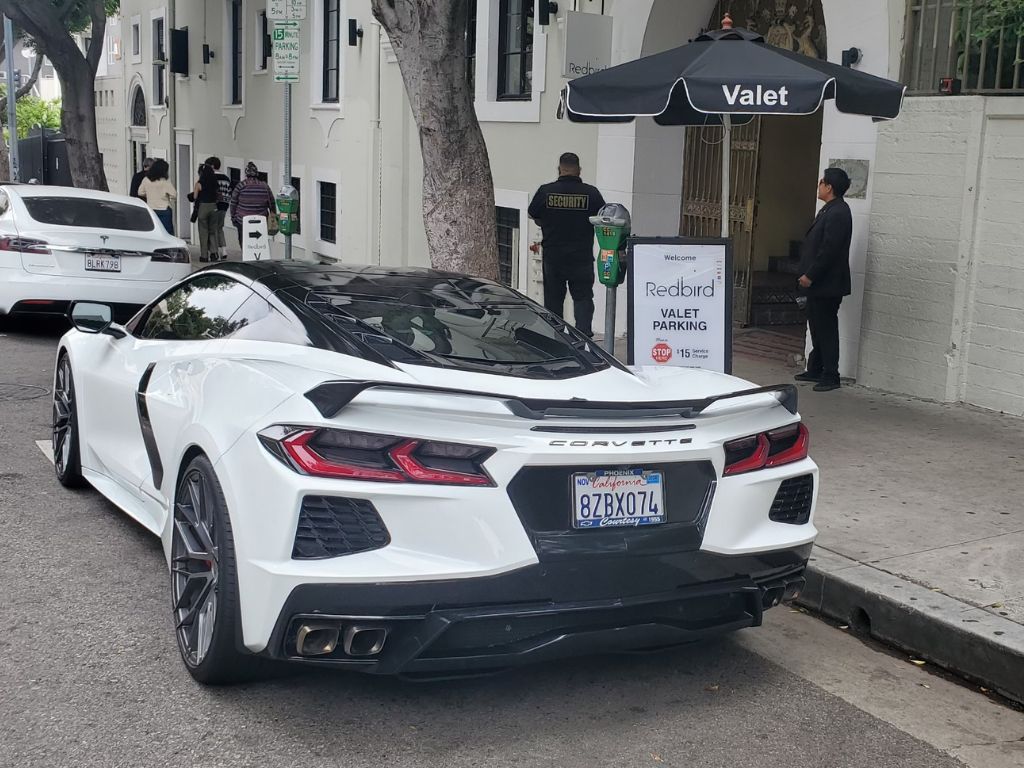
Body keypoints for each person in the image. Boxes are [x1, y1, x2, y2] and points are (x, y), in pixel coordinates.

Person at [528, 152, 605, 337]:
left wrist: (548, 221)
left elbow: (533, 214)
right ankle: (584, 338)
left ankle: (557, 339)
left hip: (554, 257)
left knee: (553, 301)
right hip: (581, 257)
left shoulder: (546, 191)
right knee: (583, 299)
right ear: (579, 170)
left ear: (559, 169)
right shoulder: (591, 193)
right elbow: (603, 217)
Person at [795, 167, 853, 392]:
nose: (818, 186)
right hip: (818, 284)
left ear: (829, 187)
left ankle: (831, 374)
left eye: (821, 182)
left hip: (826, 283)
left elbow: (829, 250)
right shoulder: (829, 209)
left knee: (826, 328)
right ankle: (816, 367)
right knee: (816, 327)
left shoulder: (839, 212)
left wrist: (811, 274)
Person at [229, 162, 276, 249]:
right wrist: (273, 215)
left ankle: (245, 254)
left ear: (246, 174)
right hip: (261, 221)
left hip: (243, 220)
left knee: (244, 243)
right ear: (257, 174)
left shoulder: (240, 186)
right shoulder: (265, 186)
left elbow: (233, 203)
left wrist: (233, 218)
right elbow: (272, 203)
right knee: (260, 243)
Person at [190, 163, 220, 262]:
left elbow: (195, 197)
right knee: (213, 231)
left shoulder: (199, 183)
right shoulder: (215, 183)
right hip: (214, 207)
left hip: (203, 207)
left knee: (203, 232)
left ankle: (204, 256)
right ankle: (214, 253)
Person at [138, 158, 176, 235]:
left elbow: (140, 192)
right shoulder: (165, 181)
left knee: (154, 232)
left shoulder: (146, 179)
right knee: (167, 232)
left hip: (151, 209)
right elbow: (174, 194)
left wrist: (149, 194)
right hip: (164, 209)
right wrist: (168, 197)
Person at [206, 156, 233, 260]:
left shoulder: (210, 177)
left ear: (212, 166)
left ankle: (215, 251)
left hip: (214, 205)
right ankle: (224, 250)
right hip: (224, 205)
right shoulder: (226, 178)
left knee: (212, 229)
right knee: (220, 228)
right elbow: (230, 192)